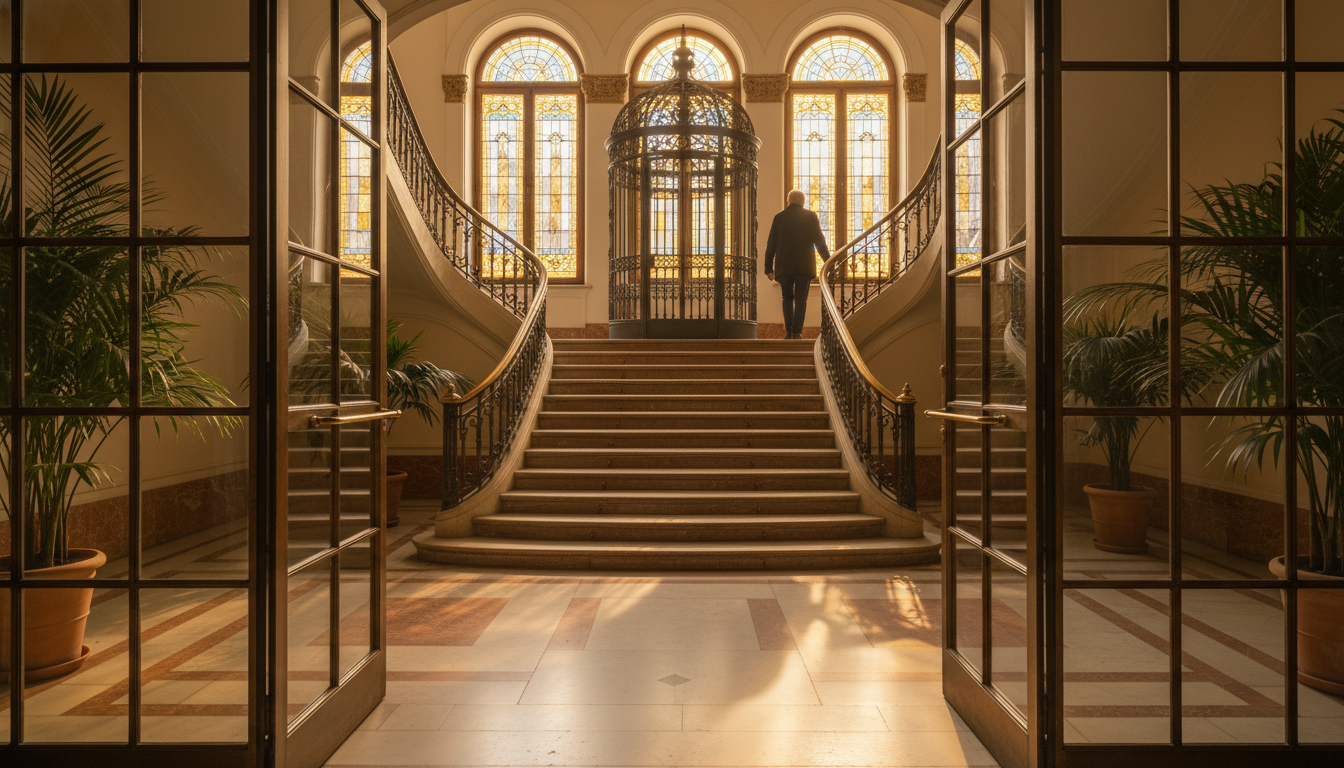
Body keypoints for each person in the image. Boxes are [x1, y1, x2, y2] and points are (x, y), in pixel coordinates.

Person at [764, 189, 830, 339]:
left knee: (786, 298)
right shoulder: (810, 216)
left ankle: (788, 332)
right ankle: (797, 332)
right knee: (801, 299)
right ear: (803, 201)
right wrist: (828, 260)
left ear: (788, 201)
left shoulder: (779, 218)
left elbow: (771, 244)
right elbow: (819, 241)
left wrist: (768, 267)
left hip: (784, 266)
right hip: (803, 266)